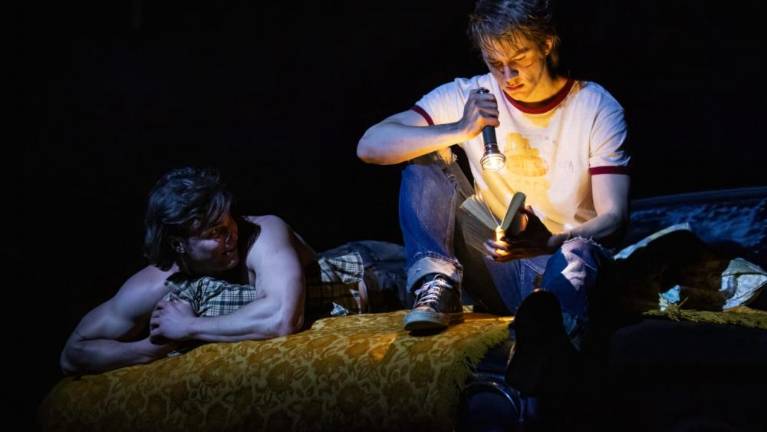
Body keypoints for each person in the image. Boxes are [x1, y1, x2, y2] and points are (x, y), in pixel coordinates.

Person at [357, 0, 630, 393]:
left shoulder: (594, 106)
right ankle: (437, 286)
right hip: (498, 266)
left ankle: (550, 337)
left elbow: (615, 216)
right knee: (423, 156)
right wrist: (459, 128)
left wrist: (550, 241)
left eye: (518, 60)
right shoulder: (472, 94)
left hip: (560, 263)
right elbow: (370, 146)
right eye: (494, 62)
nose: (507, 75)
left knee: (580, 253)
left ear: (547, 44)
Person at [60, 167, 407, 375]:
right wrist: (147, 351)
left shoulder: (263, 233)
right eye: (214, 233)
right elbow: (73, 354)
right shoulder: (158, 283)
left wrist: (189, 327)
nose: (230, 236)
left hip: (378, 272)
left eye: (228, 223)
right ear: (179, 243)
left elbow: (282, 319)